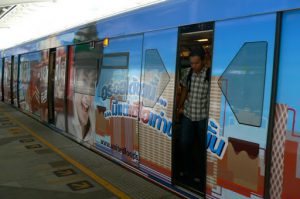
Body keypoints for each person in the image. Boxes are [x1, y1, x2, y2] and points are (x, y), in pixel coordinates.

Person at [177, 47, 210, 192]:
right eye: (191, 63)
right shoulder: (187, 73)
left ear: (203, 61)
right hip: (189, 115)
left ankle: (201, 174)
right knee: (184, 144)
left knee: (202, 147)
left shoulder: (209, 74)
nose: (193, 66)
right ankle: (187, 170)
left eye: (196, 63)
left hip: (203, 116)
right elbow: (184, 90)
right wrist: (179, 107)